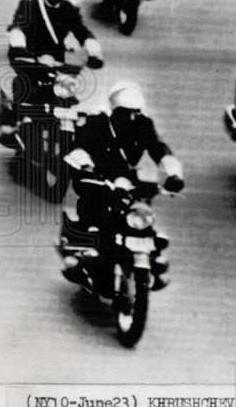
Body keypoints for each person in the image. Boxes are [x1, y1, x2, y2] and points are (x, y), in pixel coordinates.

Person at [60, 80, 184, 291]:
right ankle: (82, 253)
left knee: (142, 216)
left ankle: (153, 257)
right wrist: (86, 167)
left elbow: (159, 148)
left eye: (136, 112)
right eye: (126, 112)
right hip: (97, 177)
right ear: (113, 110)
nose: (132, 117)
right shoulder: (95, 123)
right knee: (91, 213)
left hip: (128, 181)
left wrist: (173, 174)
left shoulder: (144, 124)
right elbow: (78, 146)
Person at [0, 0, 104, 146]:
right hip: (29, 56)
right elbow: (18, 26)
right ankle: (11, 123)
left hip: (56, 59)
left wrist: (92, 49)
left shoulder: (69, 10)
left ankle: (69, 127)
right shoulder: (30, 5)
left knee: (67, 92)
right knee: (20, 84)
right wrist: (19, 45)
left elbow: (81, 30)